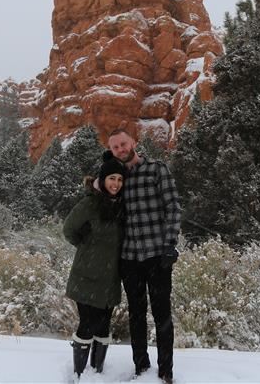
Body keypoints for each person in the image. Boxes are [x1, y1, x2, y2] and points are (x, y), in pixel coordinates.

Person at [106, 128, 181, 384]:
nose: (120, 149)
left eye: (123, 144)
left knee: (162, 313)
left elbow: (173, 207)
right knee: (136, 314)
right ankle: (140, 366)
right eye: (115, 147)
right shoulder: (116, 178)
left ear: (133, 142)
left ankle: (165, 370)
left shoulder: (157, 169)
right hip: (129, 258)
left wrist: (170, 244)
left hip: (157, 255)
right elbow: (99, 195)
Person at [62, 156, 127, 378]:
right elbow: (69, 229)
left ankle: (97, 373)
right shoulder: (90, 203)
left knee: (104, 326)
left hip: (110, 278)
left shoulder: (122, 206)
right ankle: (80, 374)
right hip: (87, 275)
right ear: (103, 179)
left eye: (120, 179)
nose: (116, 183)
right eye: (111, 178)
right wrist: (85, 243)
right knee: (87, 324)